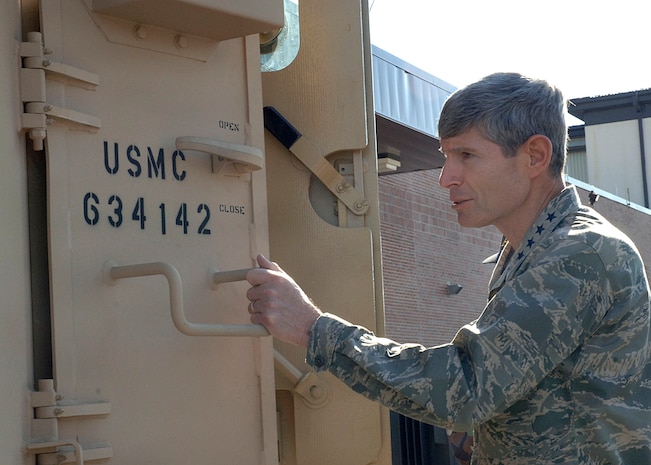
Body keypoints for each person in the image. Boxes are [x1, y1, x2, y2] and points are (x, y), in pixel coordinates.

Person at [245, 72, 651, 464]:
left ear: (535, 156)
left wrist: (313, 329)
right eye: (446, 156)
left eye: (467, 155)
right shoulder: (534, 248)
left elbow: (468, 385)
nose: (445, 178)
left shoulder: (579, 253)